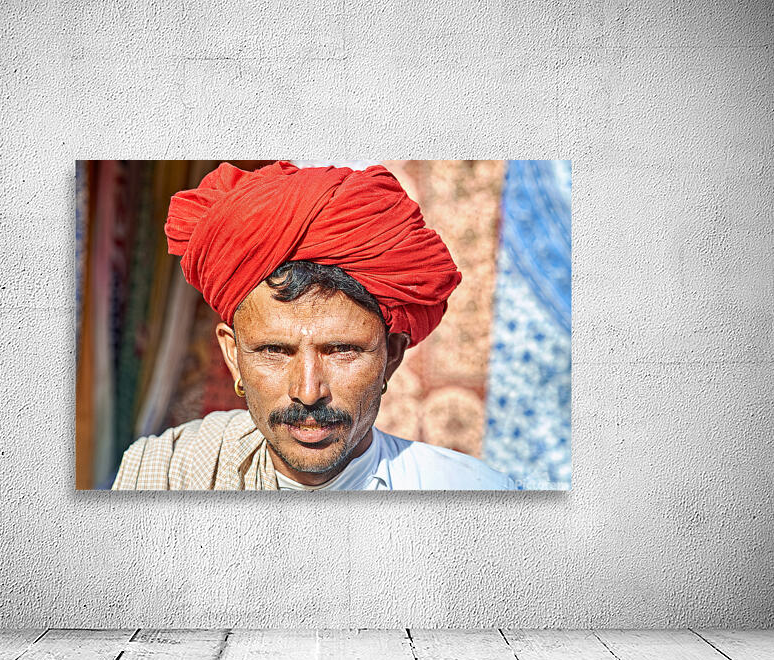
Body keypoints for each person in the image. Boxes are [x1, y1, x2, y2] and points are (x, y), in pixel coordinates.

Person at [112, 161, 515, 491]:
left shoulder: (470, 494)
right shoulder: (165, 474)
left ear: (391, 356)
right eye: (274, 351)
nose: (308, 392)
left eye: (342, 350)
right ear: (233, 355)